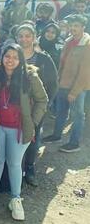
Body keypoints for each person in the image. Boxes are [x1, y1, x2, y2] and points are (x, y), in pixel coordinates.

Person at [0, 43, 48, 220]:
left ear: (21, 59)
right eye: (7, 56)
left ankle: (16, 198)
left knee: (14, 163)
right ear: (2, 57)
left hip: (19, 129)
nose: (10, 60)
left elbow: (42, 100)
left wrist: (33, 123)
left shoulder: (30, 76)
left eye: (15, 57)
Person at [16, 24, 58, 186]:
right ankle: (14, 168)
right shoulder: (13, 56)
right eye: (21, 36)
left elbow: (53, 84)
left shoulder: (43, 59)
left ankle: (30, 167)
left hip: (36, 107)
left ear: (33, 38)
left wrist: (46, 105)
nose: (24, 39)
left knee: (33, 137)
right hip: (15, 106)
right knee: (16, 136)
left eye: (27, 36)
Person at [43, 14, 90, 152]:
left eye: (76, 26)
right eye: (71, 26)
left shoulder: (87, 45)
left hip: (77, 87)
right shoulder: (68, 41)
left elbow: (85, 72)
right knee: (61, 111)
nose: (72, 28)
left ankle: (74, 143)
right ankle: (57, 135)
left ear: (83, 27)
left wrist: (75, 92)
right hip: (63, 84)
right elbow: (62, 64)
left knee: (78, 115)